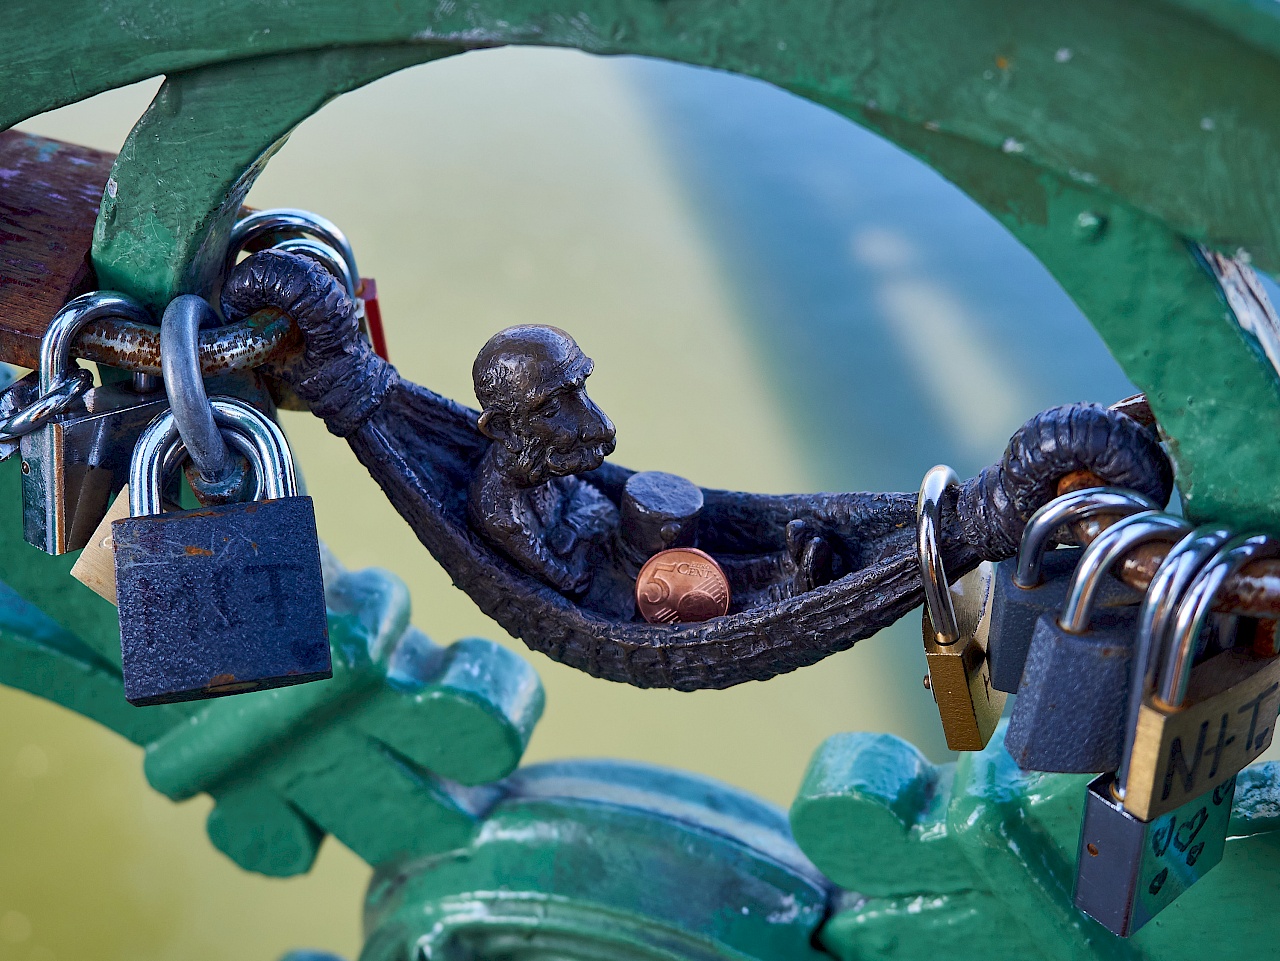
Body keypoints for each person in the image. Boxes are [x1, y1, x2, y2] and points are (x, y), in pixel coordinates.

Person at [468, 325, 619, 596]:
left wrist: (570, 535)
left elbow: (599, 507)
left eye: (581, 389)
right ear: (503, 427)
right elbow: (570, 579)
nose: (602, 427)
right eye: (552, 408)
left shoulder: (541, 462)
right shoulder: (503, 515)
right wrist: (579, 529)